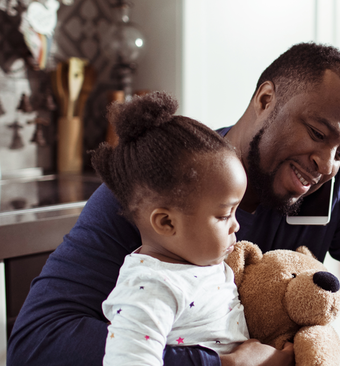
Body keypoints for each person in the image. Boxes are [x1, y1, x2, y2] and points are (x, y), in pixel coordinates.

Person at [8, 42, 340, 366]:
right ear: (265, 100)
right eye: (317, 133)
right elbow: (36, 344)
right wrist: (218, 364)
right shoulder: (160, 186)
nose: (327, 164)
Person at [92, 92, 249, 365]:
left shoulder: (200, 263)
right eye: (224, 215)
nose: (236, 224)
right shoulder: (151, 287)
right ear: (167, 223)